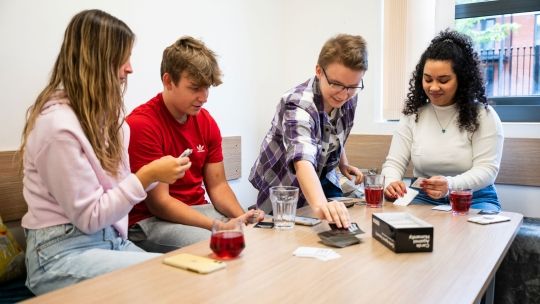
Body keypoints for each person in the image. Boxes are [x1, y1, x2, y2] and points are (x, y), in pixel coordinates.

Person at [19, 10, 190, 295]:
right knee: (168, 282)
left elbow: (110, 204)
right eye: (124, 58)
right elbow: (90, 216)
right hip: (59, 253)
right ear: (99, 60)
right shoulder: (57, 128)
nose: (130, 68)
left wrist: (149, 176)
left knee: (184, 274)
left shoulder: (112, 125)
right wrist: (147, 175)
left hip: (110, 241)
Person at [126, 36, 263, 252]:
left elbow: (218, 186)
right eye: (194, 88)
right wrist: (217, 226)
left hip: (199, 211)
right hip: (150, 221)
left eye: (207, 87)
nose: (204, 96)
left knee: (254, 235)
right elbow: (160, 203)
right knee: (217, 243)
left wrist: (243, 219)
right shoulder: (142, 125)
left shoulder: (206, 121)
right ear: (168, 81)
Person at [249, 34, 368, 228]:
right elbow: (302, 160)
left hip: (321, 176)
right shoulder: (297, 104)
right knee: (285, 241)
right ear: (319, 71)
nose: (344, 94)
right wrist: (322, 206)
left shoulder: (349, 95)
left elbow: (332, 130)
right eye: (336, 84)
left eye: (353, 86)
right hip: (284, 186)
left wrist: (343, 163)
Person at [381, 29, 504, 211]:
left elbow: (487, 170)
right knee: (403, 231)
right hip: (422, 195)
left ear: (461, 80)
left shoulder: (484, 116)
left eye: (444, 80)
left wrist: (450, 184)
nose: (433, 87)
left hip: (473, 196)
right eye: (428, 79)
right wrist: (391, 182)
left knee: (473, 236)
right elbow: (394, 163)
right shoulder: (413, 115)